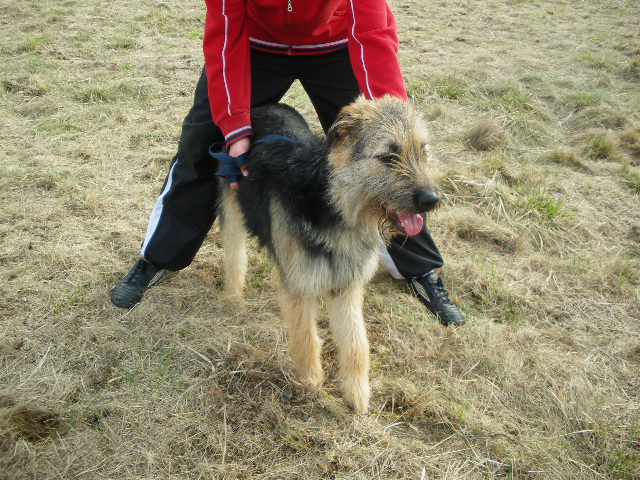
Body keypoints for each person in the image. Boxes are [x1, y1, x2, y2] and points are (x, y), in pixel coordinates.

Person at [111, 0, 464, 326]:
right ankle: (158, 258)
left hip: (336, 42)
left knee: (388, 160)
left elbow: (370, 29)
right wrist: (234, 126)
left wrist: (390, 119)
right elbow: (224, 30)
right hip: (255, 44)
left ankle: (420, 270)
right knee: (200, 144)